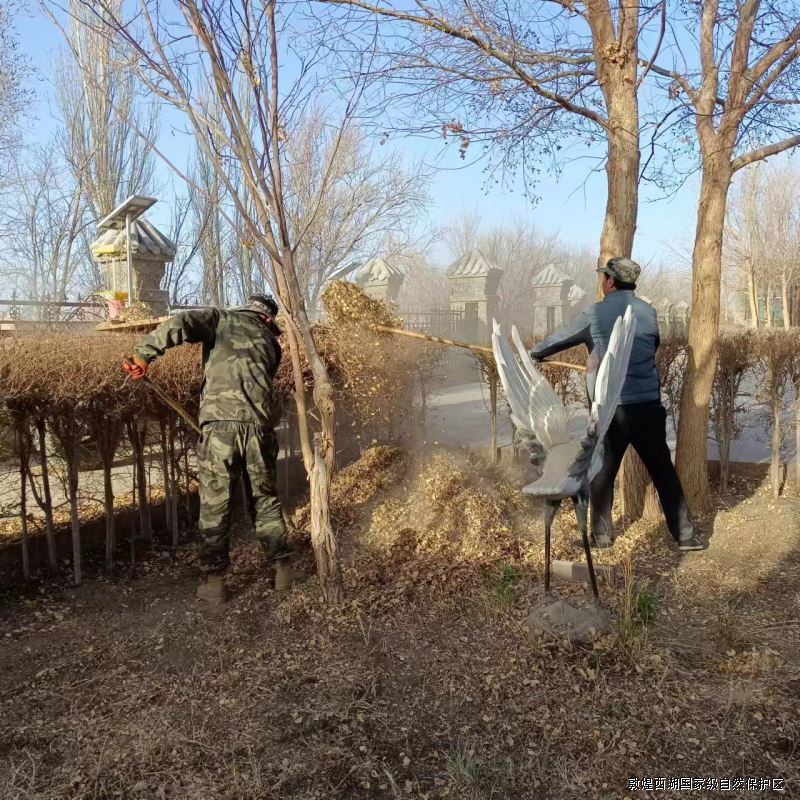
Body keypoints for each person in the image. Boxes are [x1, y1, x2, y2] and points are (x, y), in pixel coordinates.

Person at [123, 294, 297, 605]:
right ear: (268, 319)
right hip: (259, 429)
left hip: (220, 430)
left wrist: (143, 355)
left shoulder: (221, 319)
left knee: (216, 504)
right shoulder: (272, 344)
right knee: (265, 500)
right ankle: (282, 571)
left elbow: (182, 322)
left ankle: (215, 584)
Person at [530, 257, 704, 551]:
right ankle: (685, 535)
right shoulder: (648, 312)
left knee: (602, 473)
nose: (602, 282)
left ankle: (601, 537)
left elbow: (560, 339)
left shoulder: (595, 314)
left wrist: (536, 354)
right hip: (648, 407)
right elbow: (651, 347)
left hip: (612, 411)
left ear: (610, 281)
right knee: (662, 470)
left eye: (604, 278)